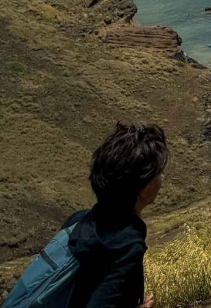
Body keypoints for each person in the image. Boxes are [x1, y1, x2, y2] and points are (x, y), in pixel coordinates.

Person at [67, 123, 168, 307]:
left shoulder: (77, 220)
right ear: (143, 188)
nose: (162, 179)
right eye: (159, 173)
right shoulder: (128, 243)